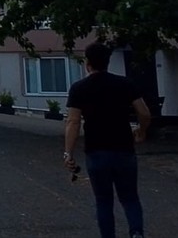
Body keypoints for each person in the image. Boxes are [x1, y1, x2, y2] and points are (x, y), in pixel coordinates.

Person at [64, 42, 152, 238]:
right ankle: (136, 232)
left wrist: (68, 152)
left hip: (96, 151)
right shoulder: (125, 84)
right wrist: (141, 130)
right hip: (124, 150)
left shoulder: (79, 88)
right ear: (108, 62)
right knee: (130, 198)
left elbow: (73, 121)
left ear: (88, 63)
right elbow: (144, 113)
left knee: (103, 200)